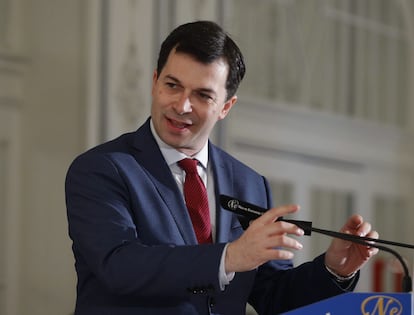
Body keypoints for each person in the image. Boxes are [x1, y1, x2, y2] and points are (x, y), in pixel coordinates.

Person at [65, 20, 379, 315]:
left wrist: (334, 268)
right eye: (172, 85)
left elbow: (273, 296)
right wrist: (229, 257)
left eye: (202, 95)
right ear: (154, 82)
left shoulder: (249, 183)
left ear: (226, 107)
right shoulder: (100, 169)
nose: (182, 105)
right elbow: (120, 266)